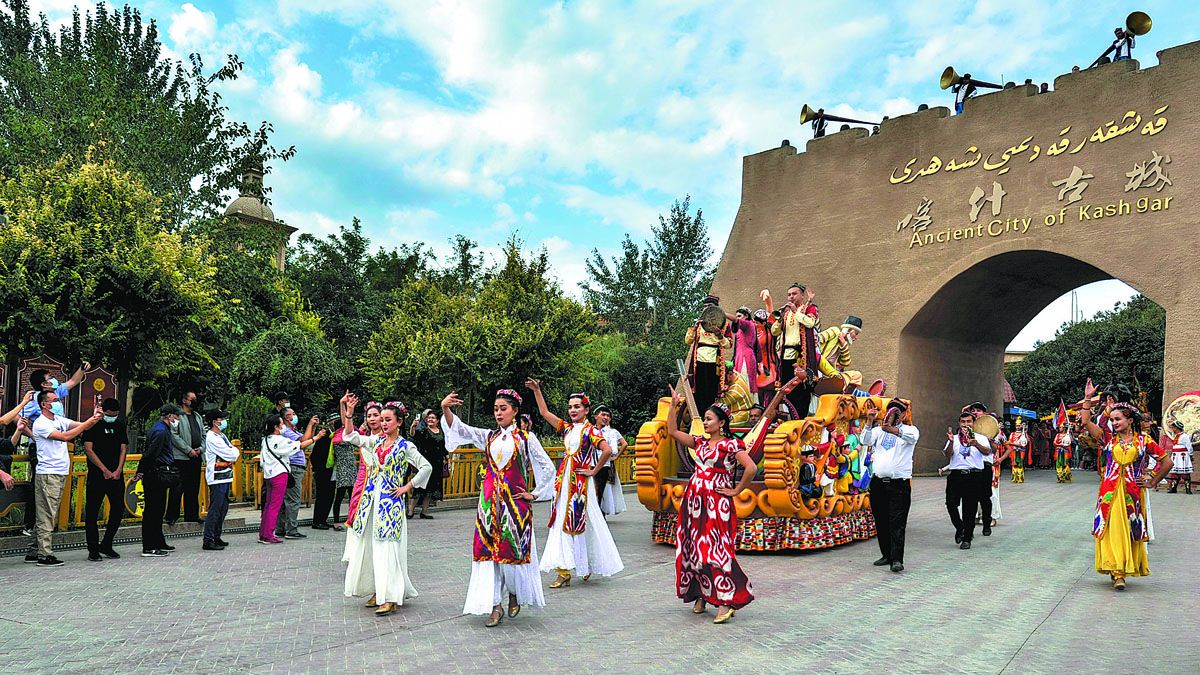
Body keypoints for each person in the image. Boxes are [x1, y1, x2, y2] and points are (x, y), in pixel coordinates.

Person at [440, 388, 556, 627]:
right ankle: (495, 605)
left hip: (514, 506)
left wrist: (534, 494)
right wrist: (445, 408)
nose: (498, 413)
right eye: (496, 409)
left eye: (503, 408)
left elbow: (548, 467)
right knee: (487, 555)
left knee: (511, 552)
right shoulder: (489, 436)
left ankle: (514, 592)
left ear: (515, 411)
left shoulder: (526, 439)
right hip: (488, 505)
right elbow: (461, 430)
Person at [665, 390, 757, 624]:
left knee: (716, 550)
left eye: (709, 419)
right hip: (694, 503)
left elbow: (751, 468)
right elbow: (673, 431)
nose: (705, 423)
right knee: (694, 549)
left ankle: (726, 601)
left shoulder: (730, 445)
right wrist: (674, 406)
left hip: (717, 504)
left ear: (721, 423)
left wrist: (736, 490)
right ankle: (702, 595)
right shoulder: (700, 442)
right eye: (704, 419)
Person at [526, 379, 624, 588]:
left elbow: (607, 450)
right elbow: (545, 413)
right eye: (570, 407)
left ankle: (583, 564)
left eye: (577, 406)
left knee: (583, 522)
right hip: (564, 483)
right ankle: (564, 570)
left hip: (580, 485)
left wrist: (593, 471)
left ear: (586, 410)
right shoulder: (568, 428)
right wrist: (537, 391)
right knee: (562, 521)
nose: (572, 410)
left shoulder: (591, 431)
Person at [343, 401, 433, 616]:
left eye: (387, 420)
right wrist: (349, 415)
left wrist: (407, 487)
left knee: (388, 548)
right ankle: (379, 590)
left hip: (390, 503)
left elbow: (426, 467)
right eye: (381, 420)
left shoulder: (405, 446)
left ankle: (391, 596)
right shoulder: (376, 441)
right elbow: (352, 437)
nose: (383, 423)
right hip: (370, 501)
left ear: (399, 422)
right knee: (372, 546)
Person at [1079, 401, 1172, 590]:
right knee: (1112, 530)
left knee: (1129, 531)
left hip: (1132, 494)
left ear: (1129, 420)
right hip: (1109, 494)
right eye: (1112, 420)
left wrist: (1152, 480)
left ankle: (1121, 569)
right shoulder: (1107, 438)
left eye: (1118, 419)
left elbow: (1167, 462)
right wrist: (1087, 400)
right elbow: (1086, 422)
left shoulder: (1144, 441)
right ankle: (1117, 573)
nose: (1114, 423)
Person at [29, 390, 102, 566]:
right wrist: (89, 422)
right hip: (48, 474)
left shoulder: (59, 420)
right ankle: (44, 554)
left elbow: (81, 426)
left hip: (59, 472)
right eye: (54, 400)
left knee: (48, 512)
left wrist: (95, 418)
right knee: (47, 514)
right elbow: (65, 436)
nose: (58, 402)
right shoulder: (41, 423)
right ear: (44, 404)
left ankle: (34, 550)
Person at [19, 364, 86, 538]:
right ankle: (31, 524)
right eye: (50, 378)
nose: (54, 380)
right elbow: (17, 418)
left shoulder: (55, 393)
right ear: (44, 384)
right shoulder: (35, 400)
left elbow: (73, 381)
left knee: (53, 493)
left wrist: (82, 367)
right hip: (41, 447)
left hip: (57, 445)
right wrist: (33, 435)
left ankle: (43, 530)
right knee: (40, 488)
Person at [862, 400, 918, 572]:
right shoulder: (878, 430)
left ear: (904, 414)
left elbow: (910, 438)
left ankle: (897, 559)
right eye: (891, 410)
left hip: (899, 484)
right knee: (881, 520)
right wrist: (869, 421)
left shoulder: (910, 430)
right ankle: (886, 555)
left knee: (897, 522)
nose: (893, 413)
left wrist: (892, 429)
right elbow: (865, 440)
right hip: (879, 482)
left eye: (898, 411)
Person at [765, 284, 836, 418]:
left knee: (802, 390)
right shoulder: (786, 314)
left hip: (801, 356)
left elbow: (810, 323)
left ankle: (801, 418)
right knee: (787, 389)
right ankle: (792, 417)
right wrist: (780, 319)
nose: (791, 297)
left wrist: (796, 312)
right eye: (789, 294)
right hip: (786, 356)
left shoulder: (809, 308)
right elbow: (774, 332)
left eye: (794, 294)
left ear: (802, 296)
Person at [259, 413, 320, 545]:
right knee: (275, 506)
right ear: (276, 427)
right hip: (279, 475)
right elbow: (299, 445)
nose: (283, 426)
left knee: (268, 505)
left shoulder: (266, 439)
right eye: (281, 424)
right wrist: (316, 437)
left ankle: (263, 534)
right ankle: (269, 535)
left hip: (269, 475)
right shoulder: (279, 440)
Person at [81, 398, 127, 562]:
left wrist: (118, 469)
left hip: (116, 475)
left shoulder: (120, 425)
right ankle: (93, 548)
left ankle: (107, 543)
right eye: (109, 415)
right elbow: (88, 449)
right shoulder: (93, 425)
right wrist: (104, 470)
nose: (112, 418)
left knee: (118, 509)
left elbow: (123, 448)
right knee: (92, 512)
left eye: (115, 415)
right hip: (97, 476)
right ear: (103, 410)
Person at [134, 404, 182, 558]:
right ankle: (149, 546)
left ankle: (158, 541)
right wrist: (140, 471)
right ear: (170, 416)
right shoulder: (161, 432)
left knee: (158, 509)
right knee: (153, 511)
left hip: (156, 472)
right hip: (155, 473)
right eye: (177, 416)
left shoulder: (161, 429)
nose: (178, 419)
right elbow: (150, 454)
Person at [942, 411, 992, 550]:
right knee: (951, 504)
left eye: (969, 421)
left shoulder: (980, 438)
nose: (966, 424)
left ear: (973, 423)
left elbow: (987, 452)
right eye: (963, 422)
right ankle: (960, 527)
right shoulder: (954, 438)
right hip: (956, 475)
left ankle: (967, 538)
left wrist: (976, 444)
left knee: (969, 508)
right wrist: (951, 442)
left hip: (974, 475)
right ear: (959, 423)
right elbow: (947, 454)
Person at [276, 408, 322, 540]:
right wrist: (310, 425)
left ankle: (281, 529)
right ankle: (291, 530)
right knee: (293, 500)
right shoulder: (286, 431)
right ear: (286, 417)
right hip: (294, 467)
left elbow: (307, 440)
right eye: (292, 414)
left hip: (292, 467)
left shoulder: (292, 431)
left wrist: (313, 427)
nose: (295, 416)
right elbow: (302, 441)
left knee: (285, 499)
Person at [685, 296, 732, 413]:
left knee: (711, 389)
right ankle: (699, 415)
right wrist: (694, 328)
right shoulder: (699, 324)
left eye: (709, 306)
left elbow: (728, 344)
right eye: (704, 307)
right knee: (698, 389)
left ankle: (710, 414)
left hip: (714, 359)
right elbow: (688, 341)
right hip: (699, 359)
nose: (706, 309)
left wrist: (719, 335)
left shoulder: (724, 324)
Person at [166, 391, 206, 525]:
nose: (194, 401)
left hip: (196, 457)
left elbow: (203, 435)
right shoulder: (178, 416)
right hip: (181, 458)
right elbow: (174, 435)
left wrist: (201, 448)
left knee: (193, 488)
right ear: (184, 400)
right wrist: (188, 450)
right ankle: (172, 516)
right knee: (178, 487)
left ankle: (192, 515)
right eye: (192, 399)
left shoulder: (197, 416)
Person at [202, 409, 238, 551]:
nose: (223, 421)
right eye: (221, 419)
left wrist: (234, 452)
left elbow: (233, 451)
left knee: (223, 508)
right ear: (214, 422)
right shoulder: (212, 438)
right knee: (215, 509)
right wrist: (234, 452)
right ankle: (208, 539)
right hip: (216, 477)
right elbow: (232, 454)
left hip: (225, 475)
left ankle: (216, 536)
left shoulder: (221, 436)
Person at [409, 409, 448, 520]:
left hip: (437, 463)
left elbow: (443, 447)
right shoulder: (423, 430)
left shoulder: (441, 432)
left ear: (437, 420)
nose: (430, 420)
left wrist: (447, 459)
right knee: (419, 486)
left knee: (431, 488)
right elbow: (413, 435)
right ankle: (410, 511)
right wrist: (413, 426)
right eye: (429, 418)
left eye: (433, 418)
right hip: (424, 462)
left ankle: (424, 511)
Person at [591, 404, 628, 517]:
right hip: (590, 464)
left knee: (600, 490)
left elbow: (617, 448)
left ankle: (599, 514)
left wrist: (616, 456)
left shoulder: (611, 432)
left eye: (608, 416)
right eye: (603, 415)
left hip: (604, 464)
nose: (606, 417)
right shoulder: (589, 430)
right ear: (596, 416)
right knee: (591, 489)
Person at [311, 412, 342, 530]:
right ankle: (317, 521)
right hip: (322, 470)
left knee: (329, 496)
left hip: (331, 470)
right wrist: (317, 469)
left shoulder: (336, 436)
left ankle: (323, 519)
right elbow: (315, 454)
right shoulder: (324, 435)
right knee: (322, 496)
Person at [724, 306, 759, 397]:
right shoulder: (744, 327)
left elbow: (735, 320)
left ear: (746, 316)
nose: (737, 318)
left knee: (744, 381)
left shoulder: (748, 324)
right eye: (737, 316)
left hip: (746, 358)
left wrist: (722, 313)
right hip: (741, 357)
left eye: (739, 316)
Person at [1163, 420, 1193, 494]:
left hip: (1182, 456)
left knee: (1185, 473)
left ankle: (1188, 489)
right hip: (1176, 456)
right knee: (1175, 473)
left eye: (1173, 428)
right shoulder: (1176, 436)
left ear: (1177, 428)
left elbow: (1189, 446)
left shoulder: (1185, 436)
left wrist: (1190, 455)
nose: (1172, 429)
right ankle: (1174, 488)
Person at [1008, 418, 1030, 483]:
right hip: (1014, 450)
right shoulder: (1012, 434)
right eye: (1016, 425)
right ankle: (1014, 478)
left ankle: (1020, 478)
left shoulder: (1024, 434)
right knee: (1014, 463)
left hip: (1021, 450)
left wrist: (1024, 431)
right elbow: (1009, 442)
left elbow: (1026, 442)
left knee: (1020, 463)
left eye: (1019, 425)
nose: (1017, 427)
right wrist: (1015, 444)